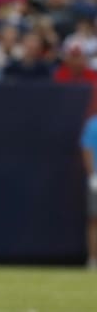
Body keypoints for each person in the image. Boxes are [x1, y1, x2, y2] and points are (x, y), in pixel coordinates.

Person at [80, 112, 97, 271]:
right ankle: (93, 260)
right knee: (94, 220)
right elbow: (86, 150)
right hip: (96, 180)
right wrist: (93, 176)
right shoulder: (93, 125)